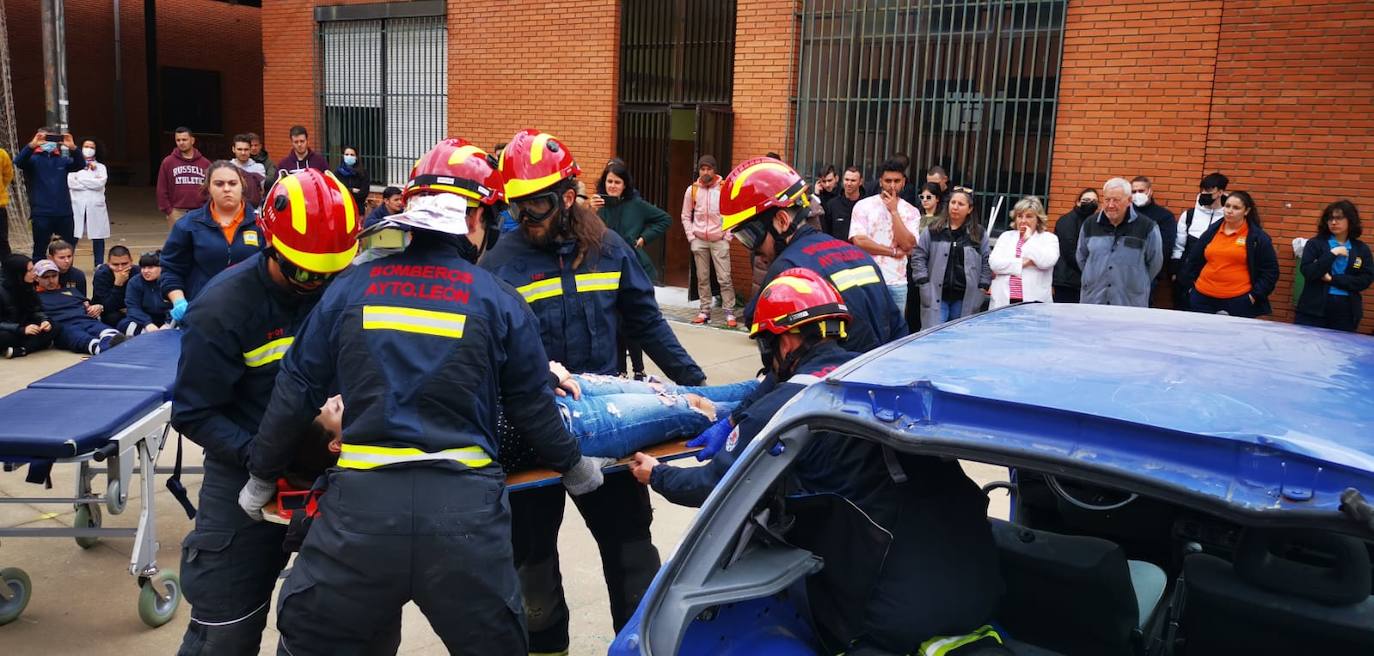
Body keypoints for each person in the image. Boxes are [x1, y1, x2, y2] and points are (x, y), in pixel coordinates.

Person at [237, 146, 606, 656]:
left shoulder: (350, 288)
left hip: (358, 520)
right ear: (475, 217)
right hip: (465, 521)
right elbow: (530, 405)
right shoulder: (497, 299)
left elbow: (296, 389)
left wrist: (261, 475)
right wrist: (575, 467)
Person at [630, 267, 1003, 655]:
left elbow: (713, 487)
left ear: (787, 342)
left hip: (897, 612)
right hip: (979, 577)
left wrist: (658, 474)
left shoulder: (788, 409)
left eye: (767, 346)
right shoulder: (884, 371)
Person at [482, 129, 706, 654]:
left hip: (610, 427)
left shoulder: (608, 248)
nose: (524, 217)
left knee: (632, 553)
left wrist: (695, 385)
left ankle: (638, 645)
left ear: (567, 195)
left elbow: (647, 323)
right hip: (534, 431)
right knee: (531, 567)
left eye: (536, 203)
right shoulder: (500, 262)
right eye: (516, 205)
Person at [171, 169, 383, 655]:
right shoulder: (222, 308)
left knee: (339, 629)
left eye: (332, 272)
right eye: (305, 272)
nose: (318, 286)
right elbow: (193, 413)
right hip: (243, 468)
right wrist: (264, 457)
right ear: (270, 244)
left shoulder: (342, 286)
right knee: (225, 629)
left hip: (337, 469)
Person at [725, 156, 907, 356]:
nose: (753, 249)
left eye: (750, 236)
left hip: (830, 382)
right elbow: (897, 328)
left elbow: (753, 319)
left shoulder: (788, 267)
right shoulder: (858, 255)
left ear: (782, 221)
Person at [591, 160, 671, 379]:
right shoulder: (597, 205)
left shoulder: (636, 205)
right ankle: (620, 370)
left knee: (631, 321)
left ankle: (638, 369)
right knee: (614, 323)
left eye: (617, 182)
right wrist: (590, 210)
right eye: (609, 181)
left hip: (633, 269)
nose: (613, 186)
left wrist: (645, 237)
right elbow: (583, 230)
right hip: (605, 273)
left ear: (625, 185)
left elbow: (665, 219)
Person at [161, 161, 264, 323]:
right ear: (208, 187)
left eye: (232, 183)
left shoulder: (262, 225)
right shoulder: (188, 225)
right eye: (219, 184)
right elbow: (171, 270)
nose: (227, 189)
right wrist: (179, 301)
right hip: (203, 315)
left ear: (242, 186)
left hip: (251, 314)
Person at [1176, 190, 1278, 319]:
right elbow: (1193, 260)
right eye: (1227, 206)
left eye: (1236, 208)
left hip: (1238, 301)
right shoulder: (1212, 232)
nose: (1230, 211)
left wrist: (1254, 296)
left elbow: (1270, 271)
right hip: (1202, 297)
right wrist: (1191, 288)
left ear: (1246, 211)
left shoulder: (1257, 238)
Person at [1077, 177, 1163, 307]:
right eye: (1107, 200)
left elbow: (1154, 264)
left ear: (1129, 201)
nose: (1110, 205)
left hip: (1129, 303)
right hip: (1093, 301)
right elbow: (1081, 258)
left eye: (1116, 200)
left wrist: (1135, 281)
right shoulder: (1089, 224)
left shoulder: (1147, 227)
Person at [849, 158, 921, 313]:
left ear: (904, 182)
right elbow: (859, 241)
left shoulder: (911, 212)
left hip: (897, 282)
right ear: (880, 181)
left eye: (897, 181)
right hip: (867, 280)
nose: (892, 185)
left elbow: (909, 245)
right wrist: (893, 251)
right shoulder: (863, 206)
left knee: (897, 334)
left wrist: (894, 211)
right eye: (888, 181)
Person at [913, 188, 992, 326]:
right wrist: (923, 281)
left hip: (966, 297)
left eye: (961, 204)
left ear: (970, 209)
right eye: (953, 202)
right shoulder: (933, 230)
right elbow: (919, 255)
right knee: (935, 337)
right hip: (936, 295)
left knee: (959, 339)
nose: (955, 207)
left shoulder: (978, 234)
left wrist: (983, 286)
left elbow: (987, 262)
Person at [1296, 200, 1373, 331]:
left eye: (1339, 218)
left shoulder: (1361, 249)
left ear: (1350, 220)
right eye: (1330, 218)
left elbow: (1364, 280)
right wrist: (1333, 253)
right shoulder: (1315, 244)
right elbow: (1309, 272)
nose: (1333, 222)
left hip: (1346, 310)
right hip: (1313, 309)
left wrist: (1333, 279)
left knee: (1341, 349)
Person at [680, 154, 736, 326]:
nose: (705, 172)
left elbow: (733, 214)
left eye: (708, 169)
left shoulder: (724, 188)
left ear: (714, 170)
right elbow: (685, 215)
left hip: (719, 239)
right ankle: (705, 311)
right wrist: (691, 237)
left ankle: (729, 312)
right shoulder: (692, 190)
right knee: (702, 278)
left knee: (724, 278)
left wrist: (727, 236)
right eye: (702, 169)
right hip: (699, 240)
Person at [14, 127, 83, 260]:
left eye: (52, 139)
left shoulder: (62, 160)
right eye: (46, 138)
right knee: (40, 248)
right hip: (41, 213)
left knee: (67, 248)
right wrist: (32, 145)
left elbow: (80, 164)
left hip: (64, 212)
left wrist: (73, 148)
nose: (49, 142)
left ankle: (64, 276)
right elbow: (19, 162)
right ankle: (40, 277)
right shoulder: (33, 160)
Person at [33, 259, 123, 355]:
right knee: (86, 340)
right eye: (46, 277)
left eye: (54, 276)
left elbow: (88, 304)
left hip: (86, 320)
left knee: (110, 333)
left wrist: (96, 307)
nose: (51, 280)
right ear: (37, 278)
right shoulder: (33, 297)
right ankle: (104, 349)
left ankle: (114, 346)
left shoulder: (71, 290)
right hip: (64, 327)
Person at [989, 196, 1059, 308]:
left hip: (1034, 301)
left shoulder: (1049, 238)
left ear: (1038, 219)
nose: (1023, 221)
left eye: (1029, 216)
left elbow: (1046, 262)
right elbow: (994, 264)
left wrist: (1028, 239)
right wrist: (1023, 263)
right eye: (1019, 216)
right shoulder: (1006, 236)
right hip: (1003, 300)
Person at [1172, 172, 1228, 311]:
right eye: (1202, 190)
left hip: (1215, 278)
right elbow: (1178, 245)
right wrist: (1175, 272)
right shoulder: (1189, 215)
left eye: (1209, 191)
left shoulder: (1228, 218)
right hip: (1187, 277)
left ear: (1220, 192)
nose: (1204, 194)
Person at [1130, 175, 1176, 304]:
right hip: (1123, 272)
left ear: (1150, 191)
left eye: (1141, 191)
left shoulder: (1164, 216)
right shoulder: (1124, 213)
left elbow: (1165, 247)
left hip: (1148, 273)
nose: (1137, 194)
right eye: (1134, 191)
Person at [156, 127, 212, 229]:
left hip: (200, 212)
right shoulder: (168, 162)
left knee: (199, 243)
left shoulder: (205, 163)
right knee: (178, 244)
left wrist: (207, 209)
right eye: (178, 140)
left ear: (192, 140)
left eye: (184, 139)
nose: (181, 143)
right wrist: (169, 211)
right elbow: (161, 189)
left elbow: (211, 189)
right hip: (177, 212)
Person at [0, 255, 54, 358]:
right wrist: (21, 330)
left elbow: (36, 310)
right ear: (18, 273)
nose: (34, 274)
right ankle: (33, 344)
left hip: (24, 326)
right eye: (30, 271)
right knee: (4, 337)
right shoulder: (2, 291)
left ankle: (22, 350)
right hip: (10, 329)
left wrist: (44, 320)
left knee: (54, 327)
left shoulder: (27, 285)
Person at [1051, 188, 1098, 303]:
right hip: (1067, 281)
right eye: (1086, 200)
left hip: (1083, 281)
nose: (1090, 204)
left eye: (1094, 201)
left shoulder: (1093, 221)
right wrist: (1089, 270)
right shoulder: (1067, 221)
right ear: (1078, 201)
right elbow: (1069, 252)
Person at [68, 138, 110, 264]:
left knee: (98, 236)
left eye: (92, 147)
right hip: (77, 203)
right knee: (73, 235)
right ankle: (68, 263)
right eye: (86, 146)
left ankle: (99, 265)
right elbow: (71, 183)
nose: (88, 149)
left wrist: (81, 181)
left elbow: (100, 183)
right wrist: (90, 183)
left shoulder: (101, 167)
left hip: (95, 205)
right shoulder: (73, 164)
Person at [122, 251, 173, 334]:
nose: (145, 271)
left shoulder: (171, 281)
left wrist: (168, 323)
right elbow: (132, 307)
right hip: (145, 321)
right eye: (143, 267)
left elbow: (179, 305)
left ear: (162, 267)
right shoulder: (134, 282)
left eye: (150, 267)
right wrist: (147, 323)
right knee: (124, 324)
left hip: (169, 320)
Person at [91, 245, 136, 327]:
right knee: (113, 317)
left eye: (124, 264)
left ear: (131, 261)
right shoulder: (102, 275)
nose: (120, 268)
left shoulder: (137, 272)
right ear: (108, 263)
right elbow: (108, 306)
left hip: (132, 310)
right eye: (115, 264)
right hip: (109, 312)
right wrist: (118, 284)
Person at [821, 166, 864, 241]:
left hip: (861, 251)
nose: (849, 183)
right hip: (837, 250)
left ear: (860, 182)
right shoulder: (832, 205)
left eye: (853, 180)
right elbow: (826, 233)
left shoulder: (868, 205)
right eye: (846, 180)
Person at [229, 134, 267, 208]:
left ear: (250, 150)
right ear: (233, 149)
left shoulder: (259, 168)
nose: (243, 153)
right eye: (239, 149)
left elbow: (261, 192)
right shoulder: (226, 168)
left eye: (246, 149)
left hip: (254, 211)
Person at [333, 145, 370, 213]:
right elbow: (336, 192)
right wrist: (352, 190)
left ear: (356, 157)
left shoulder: (363, 173)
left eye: (352, 155)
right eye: (346, 154)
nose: (349, 157)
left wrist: (346, 191)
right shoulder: (337, 173)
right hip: (342, 209)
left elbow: (364, 193)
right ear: (343, 156)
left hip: (358, 209)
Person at [0, 144, 13, 257]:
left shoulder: (2, 154)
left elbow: (7, 175)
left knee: (2, 240)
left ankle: (6, 270)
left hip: (0, 205)